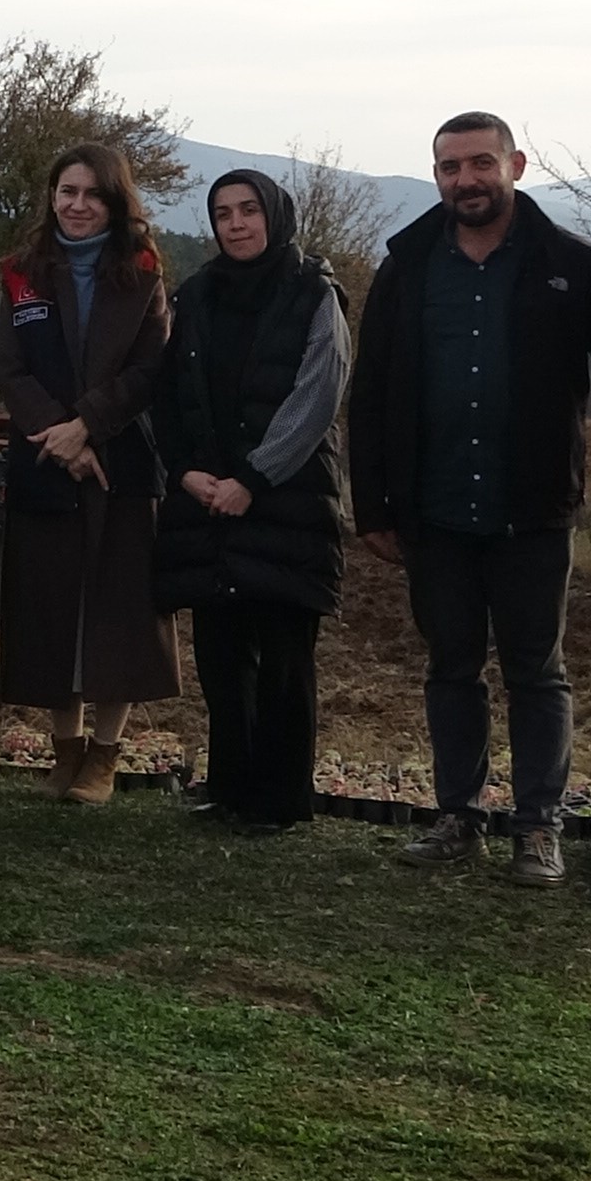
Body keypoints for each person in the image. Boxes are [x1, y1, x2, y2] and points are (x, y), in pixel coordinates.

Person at [348, 113, 591, 883]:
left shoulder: (569, 264)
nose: (465, 180)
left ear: (515, 165)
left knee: (537, 671)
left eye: (480, 163)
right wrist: (373, 507)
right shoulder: (407, 266)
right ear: (436, 176)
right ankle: (456, 815)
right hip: (433, 510)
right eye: (450, 167)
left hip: (530, 508)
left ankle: (537, 827)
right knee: (450, 667)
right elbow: (371, 394)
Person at [152, 170, 349, 831]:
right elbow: (170, 392)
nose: (236, 224)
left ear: (275, 216)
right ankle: (230, 787)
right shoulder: (197, 295)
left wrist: (254, 480)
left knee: (284, 664)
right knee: (222, 656)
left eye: (248, 211)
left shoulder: (313, 294)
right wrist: (186, 472)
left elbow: (316, 396)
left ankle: (280, 799)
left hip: (285, 505)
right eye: (223, 213)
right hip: (210, 503)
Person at [0, 141, 179, 805]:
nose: (76, 205)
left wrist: (88, 425)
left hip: (120, 462)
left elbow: (151, 369)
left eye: (92, 194)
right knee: (47, 607)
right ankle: (63, 749)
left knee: (121, 611)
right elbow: (7, 366)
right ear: (51, 197)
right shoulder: (21, 272)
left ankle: (104, 755)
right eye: (66, 192)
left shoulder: (144, 271)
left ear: (114, 202)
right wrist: (60, 436)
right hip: (45, 460)